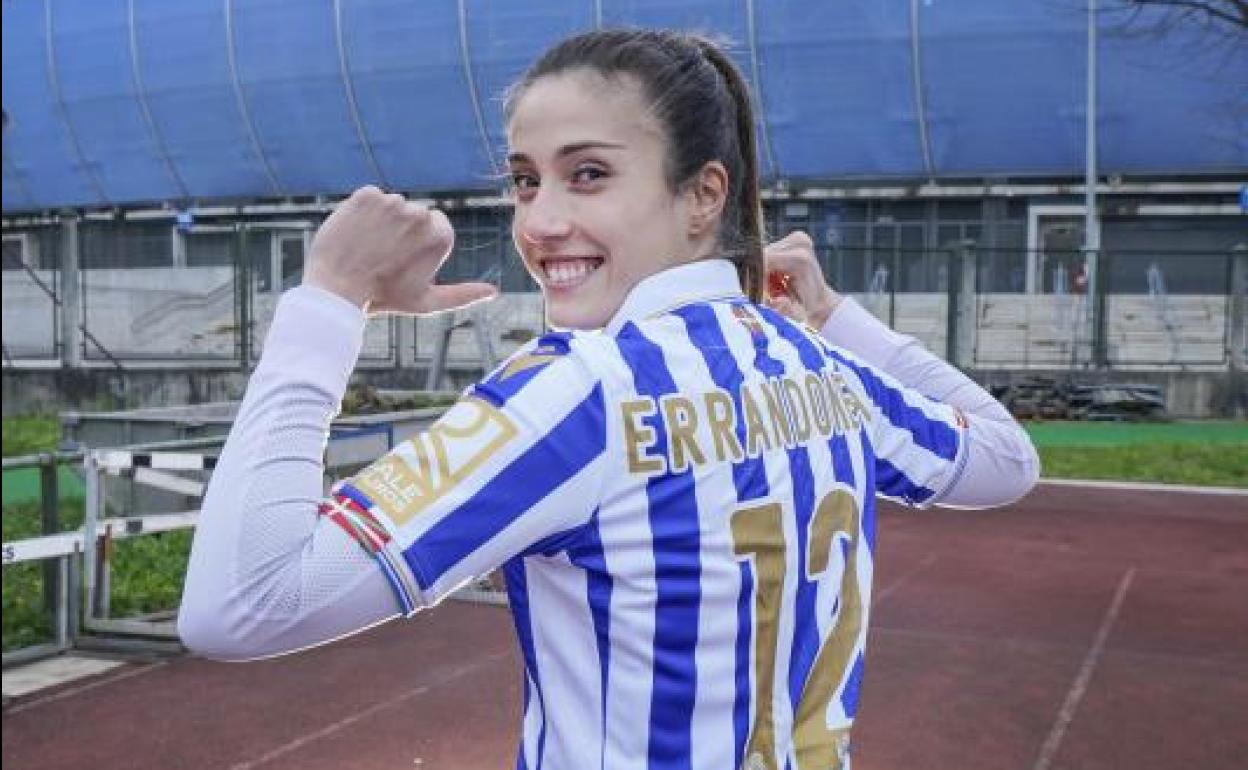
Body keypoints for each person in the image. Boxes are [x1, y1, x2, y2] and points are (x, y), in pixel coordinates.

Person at [178, 28, 1039, 770]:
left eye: (587, 174)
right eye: (524, 180)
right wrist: (836, 316)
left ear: (705, 195)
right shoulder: (823, 368)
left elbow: (243, 606)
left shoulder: (579, 391)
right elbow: (1005, 459)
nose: (540, 220)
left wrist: (329, 301)